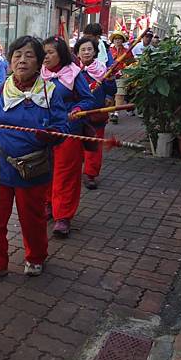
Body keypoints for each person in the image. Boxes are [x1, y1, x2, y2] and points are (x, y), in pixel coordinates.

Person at [0, 36, 69, 281]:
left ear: (40, 62)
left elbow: (62, 127)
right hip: (0, 168)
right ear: (9, 61)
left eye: (29, 55)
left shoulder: (50, 93)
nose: (22, 60)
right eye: (17, 55)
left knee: (33, 220)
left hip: (34, 170)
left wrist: (51, 135)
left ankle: (35, 258)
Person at [41, 36, 95, 237]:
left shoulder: (74, 73)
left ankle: (63, 216)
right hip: (43, 131)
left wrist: (78, 108)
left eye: (50, 53)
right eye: (43, 52)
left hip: (68, 131)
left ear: (61, 54)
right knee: (44, 169)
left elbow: (88, 99)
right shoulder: (39, 73)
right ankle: (48, 204)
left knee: (66, 172)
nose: (45, 57)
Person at [74, 37, 117, 190]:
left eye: (89, 49)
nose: (86, 52)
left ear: (95, 52)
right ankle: (75, 171)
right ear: (77, 53)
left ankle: (90, 174)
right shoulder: (72, 70)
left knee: (94, 144)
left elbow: (111, 90)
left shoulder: (102, 69)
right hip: (77, 114)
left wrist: (109, 93)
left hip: (96, 113)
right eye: (83, 49)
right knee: (74, 144)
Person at [109, 30, 135, 124]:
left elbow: (132, 62)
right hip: (109, 75)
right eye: (116, 39)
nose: (117, 40)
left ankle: (116, 114)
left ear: (122, 40)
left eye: (119, 39)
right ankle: (111, 112)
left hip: (122, 75)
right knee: (110, 95)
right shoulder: (109, 50)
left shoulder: (127, 51)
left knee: (119, 94)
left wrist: (125, 68)